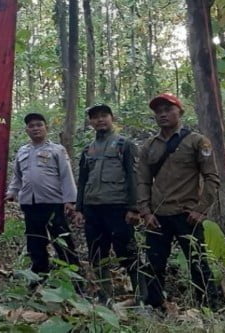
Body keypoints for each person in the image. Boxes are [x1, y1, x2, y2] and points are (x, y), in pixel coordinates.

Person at [138, 93, 220, 309]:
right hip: (157, 216)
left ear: (180, 112)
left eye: (168, 109)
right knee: (154, 263)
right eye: (158, 111)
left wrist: (201, 209)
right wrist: (145, 212)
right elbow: (142, 181)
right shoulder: (149, 146)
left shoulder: (197, 141)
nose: (163, 114)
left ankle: (208, 307)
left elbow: (212, 177)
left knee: (198, 263)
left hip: (187, 215)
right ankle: (155, 306)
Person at [74, 104, 146, 302]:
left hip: (118, 208)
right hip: (93, 210)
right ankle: (105, 299)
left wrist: (134, 208)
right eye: (95, 117)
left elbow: (134, 177)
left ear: (111, 118)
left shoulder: (125, 145)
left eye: (104, 115)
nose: (100, 120)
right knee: (97, 254)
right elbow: (82, 180)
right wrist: (79, 209)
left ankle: (142, 297)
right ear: (90, 122)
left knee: (128, 253)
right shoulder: (88, 149)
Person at [5, 113, 80, 278]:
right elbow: (17, 176)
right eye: (31, 126)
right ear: (27, 130)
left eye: (39, 125)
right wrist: (12, 192)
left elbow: (66, 175)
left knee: (62, 240)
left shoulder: (57, 150)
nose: (35, 128)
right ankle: (39, 276)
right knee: (35, 242)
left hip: (53, 203)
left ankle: (75, 278)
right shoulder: (23, 151)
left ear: (46, 127)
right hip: (30, 204)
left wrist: (70, 200)